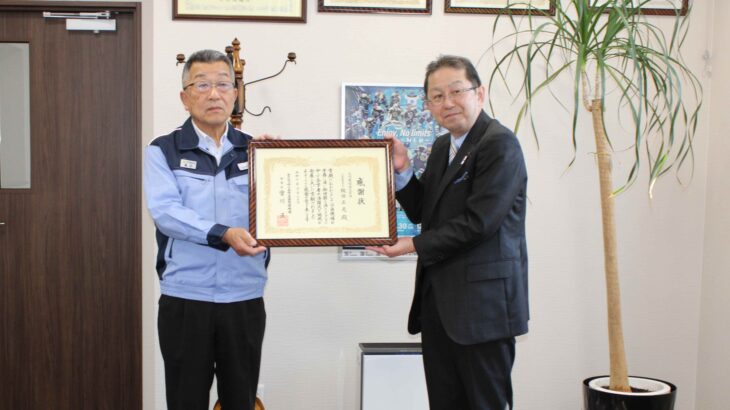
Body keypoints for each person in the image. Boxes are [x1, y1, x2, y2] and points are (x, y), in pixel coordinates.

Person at [368, 55, 529, 409]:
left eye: (457, 91)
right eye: (437, 96)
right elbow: (424, 209)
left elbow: (479, 222)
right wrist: (402, 169)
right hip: (440, 308)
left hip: (483, 311)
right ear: (428, 106)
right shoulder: (444, 146)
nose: (448, 102)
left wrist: (411, 245)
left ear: (480, 93)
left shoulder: (499, 144)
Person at [144, 49, 270, 410]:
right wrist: (223, 233)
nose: (214, 94)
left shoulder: (257, 150)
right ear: (185, 98)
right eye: (201, 85)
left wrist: (281, 164)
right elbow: (166, 212)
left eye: (223, 84)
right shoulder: (163, 150)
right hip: (186, 298)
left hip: (244, 296)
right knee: (186, 400)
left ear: (235, 94)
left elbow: (283, 209)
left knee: (241, 400)